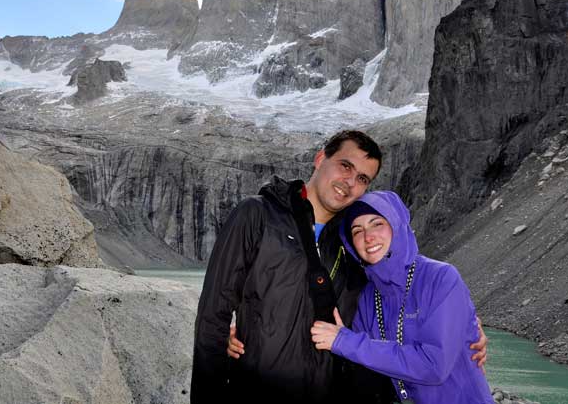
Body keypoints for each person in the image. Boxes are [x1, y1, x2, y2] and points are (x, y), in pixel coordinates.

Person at [191, 130, 487, 404]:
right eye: (345, 166)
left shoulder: (352, 247)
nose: (350, 182)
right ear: (321, 158)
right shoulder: (256, 215)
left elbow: (389, 307)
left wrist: (465, 327)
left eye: (362, 178)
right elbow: (213, 313)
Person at [310, 190, 493, 404]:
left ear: (397, 225)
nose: (368, 237)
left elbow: (434, 366)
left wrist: (344, 341)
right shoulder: (369, 295)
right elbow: (359, 362)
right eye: (357, 231)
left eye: (377, 224)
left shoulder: (440, 278)